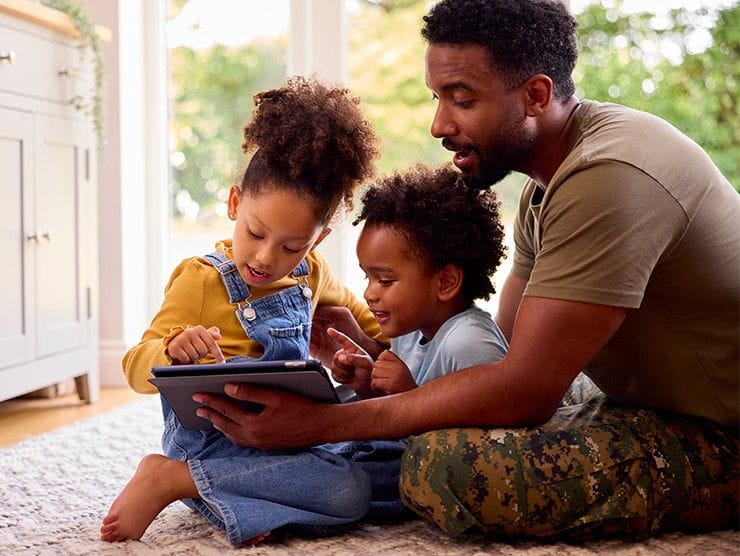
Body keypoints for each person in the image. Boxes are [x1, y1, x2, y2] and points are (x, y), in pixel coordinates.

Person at [193, 0, 739, 541]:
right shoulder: (545, 188)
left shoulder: (609, 174)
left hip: (723, 431)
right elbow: (502, 352)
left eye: (462, 100)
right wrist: (379, 362)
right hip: (640, 400)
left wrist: (317, 426)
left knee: (446, 465)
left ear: (536, 95)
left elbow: (524, 390)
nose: (438, 124)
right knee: (443, 417)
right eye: (437, 98)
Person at [100, 76, 390, 545]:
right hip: (216, 440)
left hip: (290, 430)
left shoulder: (312, 271)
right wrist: (171, 351)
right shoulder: (200, 279)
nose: (264, 258)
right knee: (350, 491)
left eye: (291, 245)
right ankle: (175, 478)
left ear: (316, 241)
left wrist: (374, 358)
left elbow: (374, 327)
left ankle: (251, 499)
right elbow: (134, 365)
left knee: (391, 450)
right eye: (255, 233)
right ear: (236, 204)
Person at [328, 164, 508, 401]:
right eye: (367, 277)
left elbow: (493, 431)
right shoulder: (409, 330)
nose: (369, 294)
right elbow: (393, 420)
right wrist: (366, 385)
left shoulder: (470, 345)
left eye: (385, 280)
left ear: (446, 282)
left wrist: (410, 395)